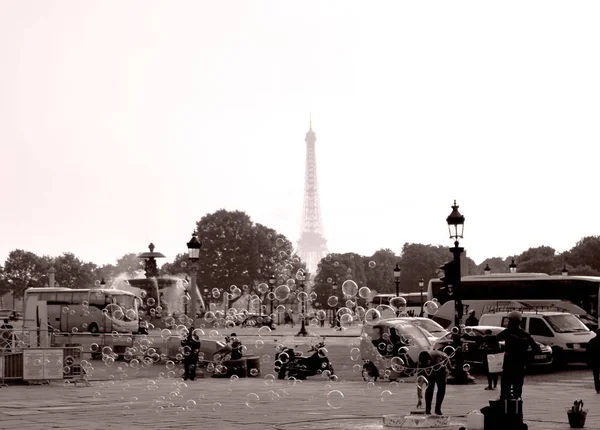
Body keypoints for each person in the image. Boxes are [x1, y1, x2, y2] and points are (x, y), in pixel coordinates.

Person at [496, 311, 540, 399]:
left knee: (505, 389)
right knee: (517, 389)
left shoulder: (507, 332)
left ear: (511, 322)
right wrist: (526, 356)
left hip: (509, 363)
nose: (508, 323)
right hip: (520, 364)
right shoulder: (526, 335)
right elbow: (537, 349)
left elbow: (495, 338)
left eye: (509, 321)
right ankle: (516, 404)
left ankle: (505, 404)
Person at [417, 350, 451, 415]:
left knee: (441, 389)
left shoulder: (437, 356)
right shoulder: (420, 364)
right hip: (430, 372)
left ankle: (438, 409)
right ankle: (428, 410)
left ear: (429, 360)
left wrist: (449, 369)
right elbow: (419, 381)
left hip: (441, 370)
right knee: (429, 387)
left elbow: (447, 359)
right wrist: (419, 398)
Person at [586, 328, 600, 393]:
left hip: (595, 361)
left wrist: (589, 361)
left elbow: (588, 352)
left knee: (596, 375)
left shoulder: (592, 341)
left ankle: (597, 388)